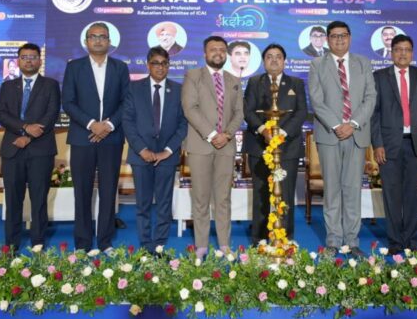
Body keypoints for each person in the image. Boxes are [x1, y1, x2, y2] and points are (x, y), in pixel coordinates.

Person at [308, 21, 376, 257]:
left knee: (353, 189)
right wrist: (337, 125)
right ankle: (333, 240)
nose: (339, 39)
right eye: (334, 36)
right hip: (330, 134)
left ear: (350, 37)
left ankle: (352, 241)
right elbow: (316, 100)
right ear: (327, 39)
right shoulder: (317, 64)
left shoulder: (363, 63)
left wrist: (353, 124)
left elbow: (370, 97)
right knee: (332, 190)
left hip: (356, 134)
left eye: (343, 35)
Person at [62, 22, 130, 252]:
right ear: (86, 41)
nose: (98, 40)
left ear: (109, 41)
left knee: (108, 191)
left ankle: (105, 242)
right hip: (83, 137)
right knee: (81, 192)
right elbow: (68, 101)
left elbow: (126, 101)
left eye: (103, 36)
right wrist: (92, 125)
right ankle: (82, 243)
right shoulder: (74, 67)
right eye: (93, 36)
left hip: (112, 138)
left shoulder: (120, 68)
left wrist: (108, 125)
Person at [370, 34, 417, 255]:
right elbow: (374, 114)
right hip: (388, 146)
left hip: (416, 144)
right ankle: (395, 243)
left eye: (407, 49)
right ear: (391, 53)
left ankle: (411, 243)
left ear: (412, 53)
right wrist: (377, 144)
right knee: (391, 195)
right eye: (398, 49)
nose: (402, 53)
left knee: (412, 195)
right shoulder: (379, 77)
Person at [181, 36, 244, 259]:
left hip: (226, 146)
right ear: (205, 53)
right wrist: (212, 134)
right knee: (200, 198)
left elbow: (239, 113)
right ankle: (201, 245)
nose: (218, 53)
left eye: (222, 49)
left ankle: (225, 244)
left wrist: (226, 135)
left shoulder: (233, 80)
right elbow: (190, 108)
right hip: (201, 145)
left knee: (223, 198)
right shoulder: (193, 76)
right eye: (213, 49)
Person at [0, 43, 61, 251]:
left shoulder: (50, 85)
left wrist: (29, 137)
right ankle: (11, 244)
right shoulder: (8, 86)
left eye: (33, 57)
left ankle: (38, 243)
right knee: (13, 199)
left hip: (41, 150)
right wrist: (25, 128)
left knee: (39, 199)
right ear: (18, 61)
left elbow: (51, 115)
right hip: (12, 149)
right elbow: (1, 115)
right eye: (24, 57)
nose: (29, 61)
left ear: (40, 61)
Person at [122, 46, 188, 253]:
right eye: (156, 63)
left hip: (167, 156)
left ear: (169, 65)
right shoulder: (133, 88)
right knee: (142, 204)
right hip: (140, 155)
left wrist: (168, 150)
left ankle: (159, 244)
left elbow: (183, 124)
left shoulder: (179, 90)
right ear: (148, 65)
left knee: (164, 203)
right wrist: (141, 149)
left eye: (164, 63)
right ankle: (145, 244)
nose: (160, 67)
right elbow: (127, 121)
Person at [242, 43, 307, 245]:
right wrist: (264, 131)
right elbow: (248, 111)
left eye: (278, 56)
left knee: (285, 195)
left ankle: (284, 242)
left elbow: (301, 112)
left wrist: (281, 135)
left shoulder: (296, 83)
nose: (274, 60)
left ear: (284, 61)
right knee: (261, 194)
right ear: (264, 61)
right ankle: (259, 241)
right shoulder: (254, 82)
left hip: (288, 148)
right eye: (269, 56)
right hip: (259, 147)